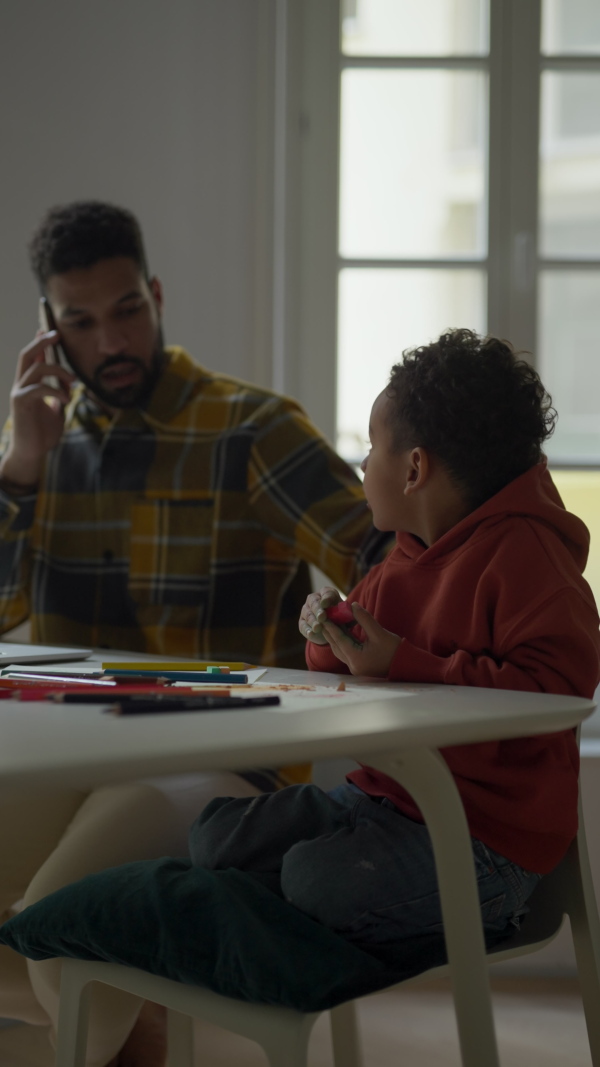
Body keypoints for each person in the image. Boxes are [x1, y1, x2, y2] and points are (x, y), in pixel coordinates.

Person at [0, 201, 390, 1067]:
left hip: (222, 759)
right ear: (49, 332)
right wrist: (19, 471)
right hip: (69, 748)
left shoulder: (250, 429)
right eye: (82, 321)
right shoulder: (36, 445)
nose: (112, 341)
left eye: (128, 309)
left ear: (157, 296)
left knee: (71, 936)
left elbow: (385, 557)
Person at [188, 329, 600, 958]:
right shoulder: (400, 562)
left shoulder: (530, 561)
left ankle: (284, 914)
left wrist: (402, 663)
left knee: (313, 877)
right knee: (217, 835)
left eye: (372, 447)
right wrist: (331, 635)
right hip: (384, 799)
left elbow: (557, 696)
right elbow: (351, 666)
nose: (361, 465)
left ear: (414, 468)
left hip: (489, 843)